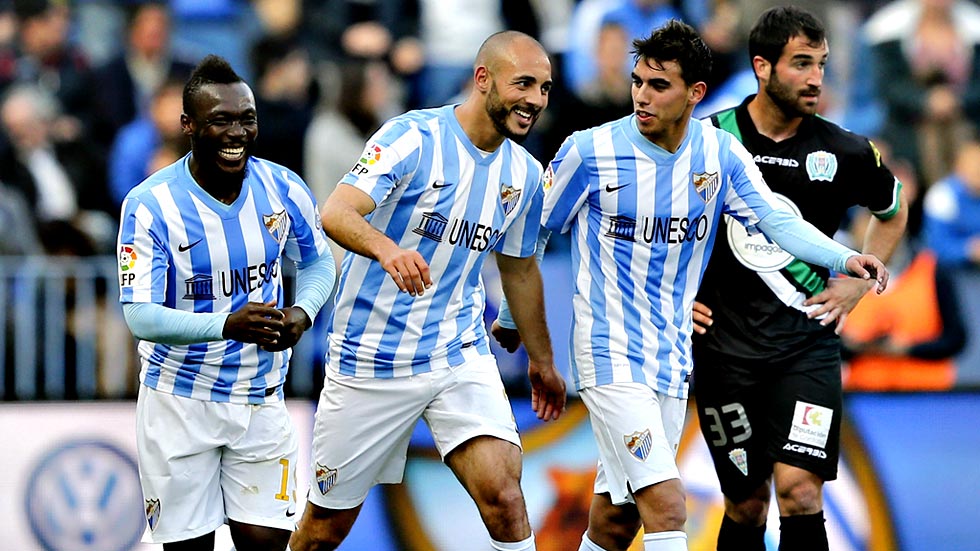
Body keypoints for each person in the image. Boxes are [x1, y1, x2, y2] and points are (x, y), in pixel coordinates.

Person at [493, 19, 889, 551]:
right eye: (638, 82)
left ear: (695, 93)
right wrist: (512, 318)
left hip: (672, 358)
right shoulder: (589, 151)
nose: (642, 96)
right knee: (667, 505)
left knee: (617, 520)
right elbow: (533, 235)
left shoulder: (718, 153)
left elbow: (775, 220)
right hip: (609, 355)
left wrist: (846, 258)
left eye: (659, 86)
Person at [289, 30, 567, 551]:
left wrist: (542, 359)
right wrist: (387, 250)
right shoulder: (412, 138)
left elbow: (520, 268)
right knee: (324, 530)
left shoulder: (526, 175)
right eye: (523, 84)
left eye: (545, 88)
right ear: (483, 79)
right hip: (370, 358)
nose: (535, 99)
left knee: (505, 497)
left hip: (455, 353)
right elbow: (336, 211)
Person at [690, 7, 907, 551]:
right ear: (762, 67)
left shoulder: (845, 150)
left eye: (822, 64)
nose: (816, 78)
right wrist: (675, 298)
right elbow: (658, 224)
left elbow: (893, 210)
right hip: (724, 349)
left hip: (806, 347)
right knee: (746, 502)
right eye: (802, 64)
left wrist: (857, 284)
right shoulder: (707, 141)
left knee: (800, 493)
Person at [116, 54, 335, 551]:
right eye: (221, 120)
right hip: (179, 400)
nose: (237, 133)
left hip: (260, 397)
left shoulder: (283, 187)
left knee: (266, 541)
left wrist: (302, 312)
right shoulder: (150, 205)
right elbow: (139, 315)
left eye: (246, 119)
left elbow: (319, 262)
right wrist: (226, 325)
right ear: (188, 125)